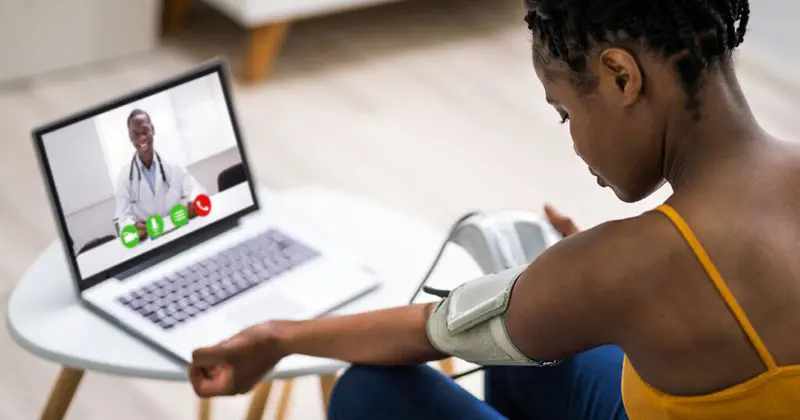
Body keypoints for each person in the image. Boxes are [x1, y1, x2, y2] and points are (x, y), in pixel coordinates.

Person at [187, 0, 800, 418]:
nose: (575, 141)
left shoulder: (628, 265)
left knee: (372, 393)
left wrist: (279, 339)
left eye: (565, 114)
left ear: (620, 77)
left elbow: (436, 330)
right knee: (540, 345)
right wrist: (592, 278)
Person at [113, 109, 206, 240]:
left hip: (181, 233)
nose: (142, 138)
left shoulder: (173, 164)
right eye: (136, 134)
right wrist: (132, 226)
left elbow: (194, 189)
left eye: (145, 131)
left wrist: (192, 201)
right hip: (151, 242)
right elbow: (123, 217)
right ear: (130, 137)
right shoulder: (124, 177)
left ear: (153, 130)